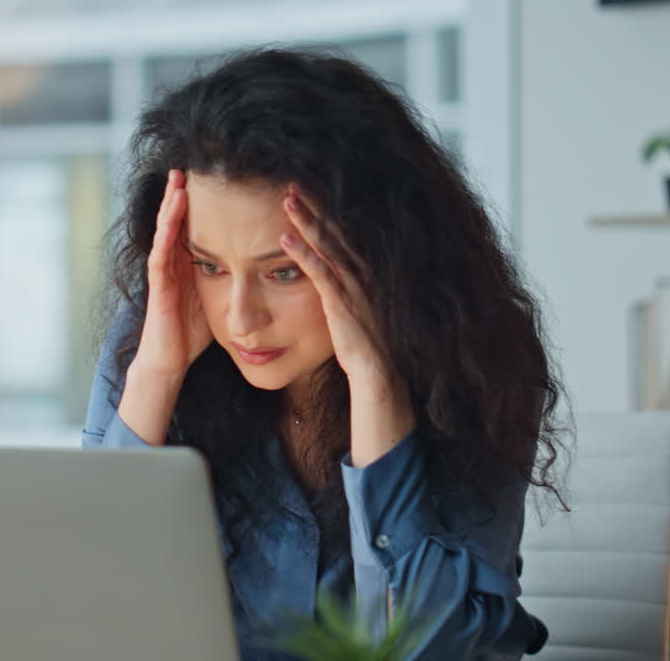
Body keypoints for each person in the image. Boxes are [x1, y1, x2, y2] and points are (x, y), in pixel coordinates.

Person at [83, 47, 566, 660]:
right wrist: (156, 376)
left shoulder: (474, 360)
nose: (240, 318)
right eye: (209, 265)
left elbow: (425, 647)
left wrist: (374, 383)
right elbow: (94, 614)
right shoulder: (159, 332)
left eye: (284, 272)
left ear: (379, 254)